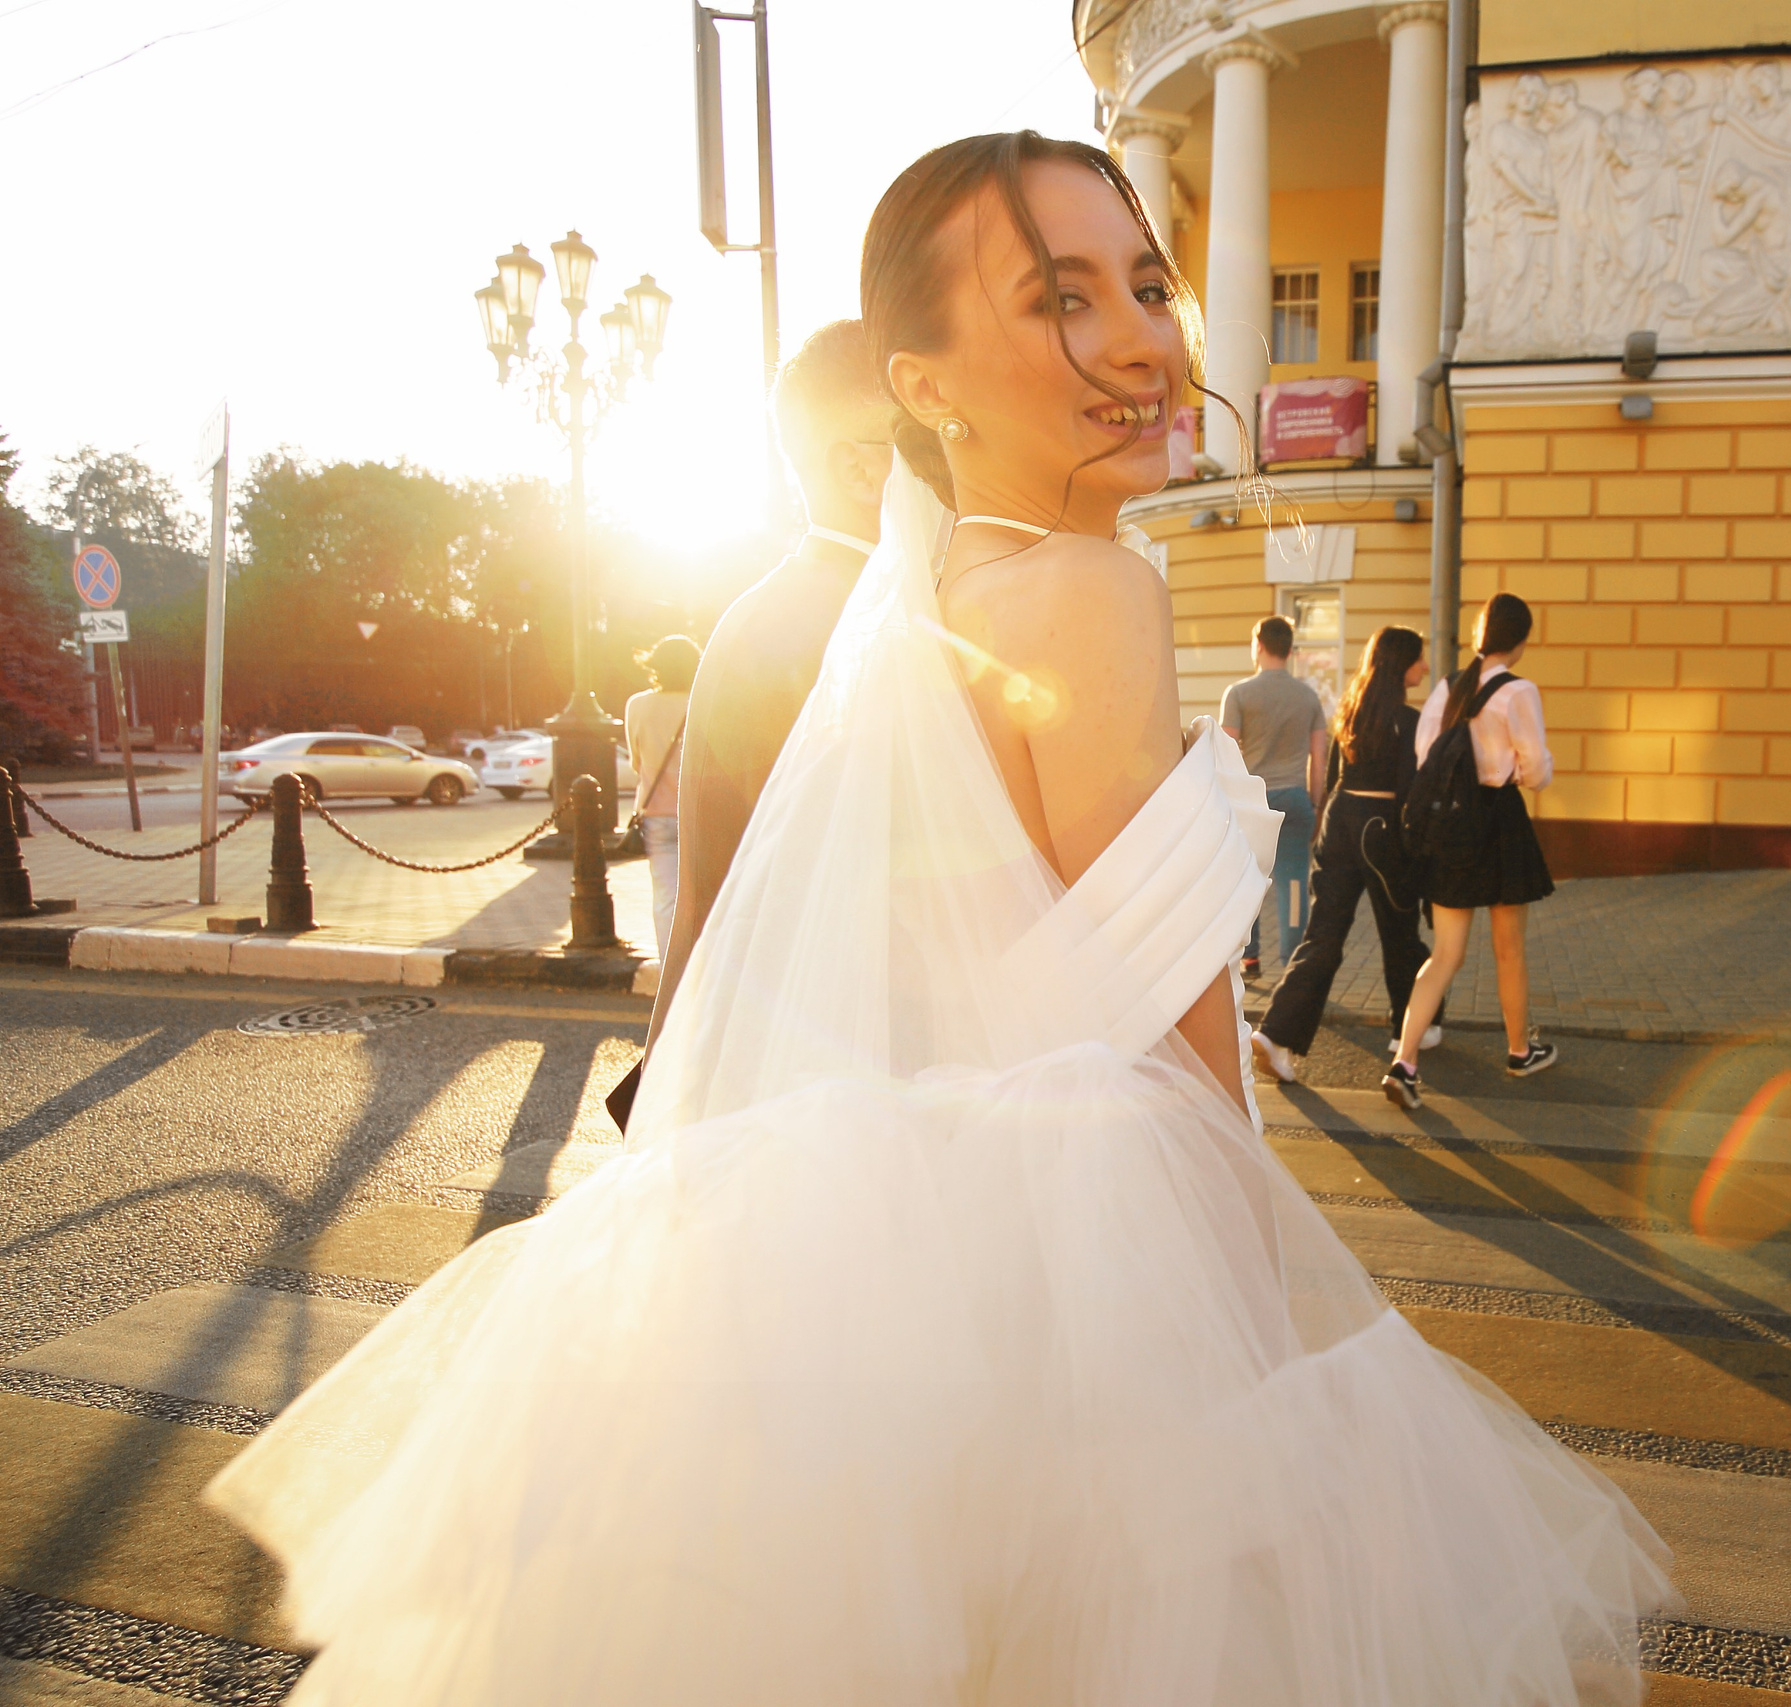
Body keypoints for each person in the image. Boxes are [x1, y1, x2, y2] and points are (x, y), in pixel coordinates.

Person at [209, 131, 1672, 1703]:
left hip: (920, 1253)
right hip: (1087, 1258)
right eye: (1058, 297)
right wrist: (1251, 1319)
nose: (1138, 339)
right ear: (926, 386)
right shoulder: (1093, 589)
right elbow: (1167, 1010)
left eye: (1146, 283)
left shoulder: (930, 599)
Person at [639, 317, 899, 1058]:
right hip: (844, 1049)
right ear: (860, 468)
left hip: (780, 1042)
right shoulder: (859, 623)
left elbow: (699, 901)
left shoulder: (757, 615)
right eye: (938, 433)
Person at [1382, 593, 1558, 1109]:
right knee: (1509, 949)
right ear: (1521, 639)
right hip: (1499, 824)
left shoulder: (1446, 688)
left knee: (1445, 955)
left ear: (1481, 635)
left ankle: (1405, 1061)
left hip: (1452, 828)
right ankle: (1519, 1050)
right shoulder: (1519, 690)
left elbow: (1425, 755)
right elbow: (1534, 771)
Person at [1250, 624, 1434, 1083]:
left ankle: (1275, 1032)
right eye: (1419, 659)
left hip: (1339, 821)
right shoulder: (1410, 722)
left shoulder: (1350, 712)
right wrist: (1419, 848)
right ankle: (1409, 1026)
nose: (1425, 667)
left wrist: (1323, 821)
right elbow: (1413, 791)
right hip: (1382, 826)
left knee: (1324, 933)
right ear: (1401, 664)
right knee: (1399, 927)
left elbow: (1332, 775)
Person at [1219, 615, 1324, 979]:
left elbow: (1227, 751)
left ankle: (1250, 959)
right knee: (1294, 884)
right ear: (1291, 650)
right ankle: (1294, 964)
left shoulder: (1239, 694)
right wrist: (1316, 803)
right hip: (1295, 799)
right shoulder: (1308, 696)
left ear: (1258, 646)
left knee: (1247, 881)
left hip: (1253, 801)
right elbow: (1319, 757)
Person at [623, 635, 698, 956]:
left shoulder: (637, 705)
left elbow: (635, 762)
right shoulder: (703, 704)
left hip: (657, 815)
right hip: (698, 814)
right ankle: (699, 964)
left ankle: (671, 970)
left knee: (666, 897)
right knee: (703, 894)